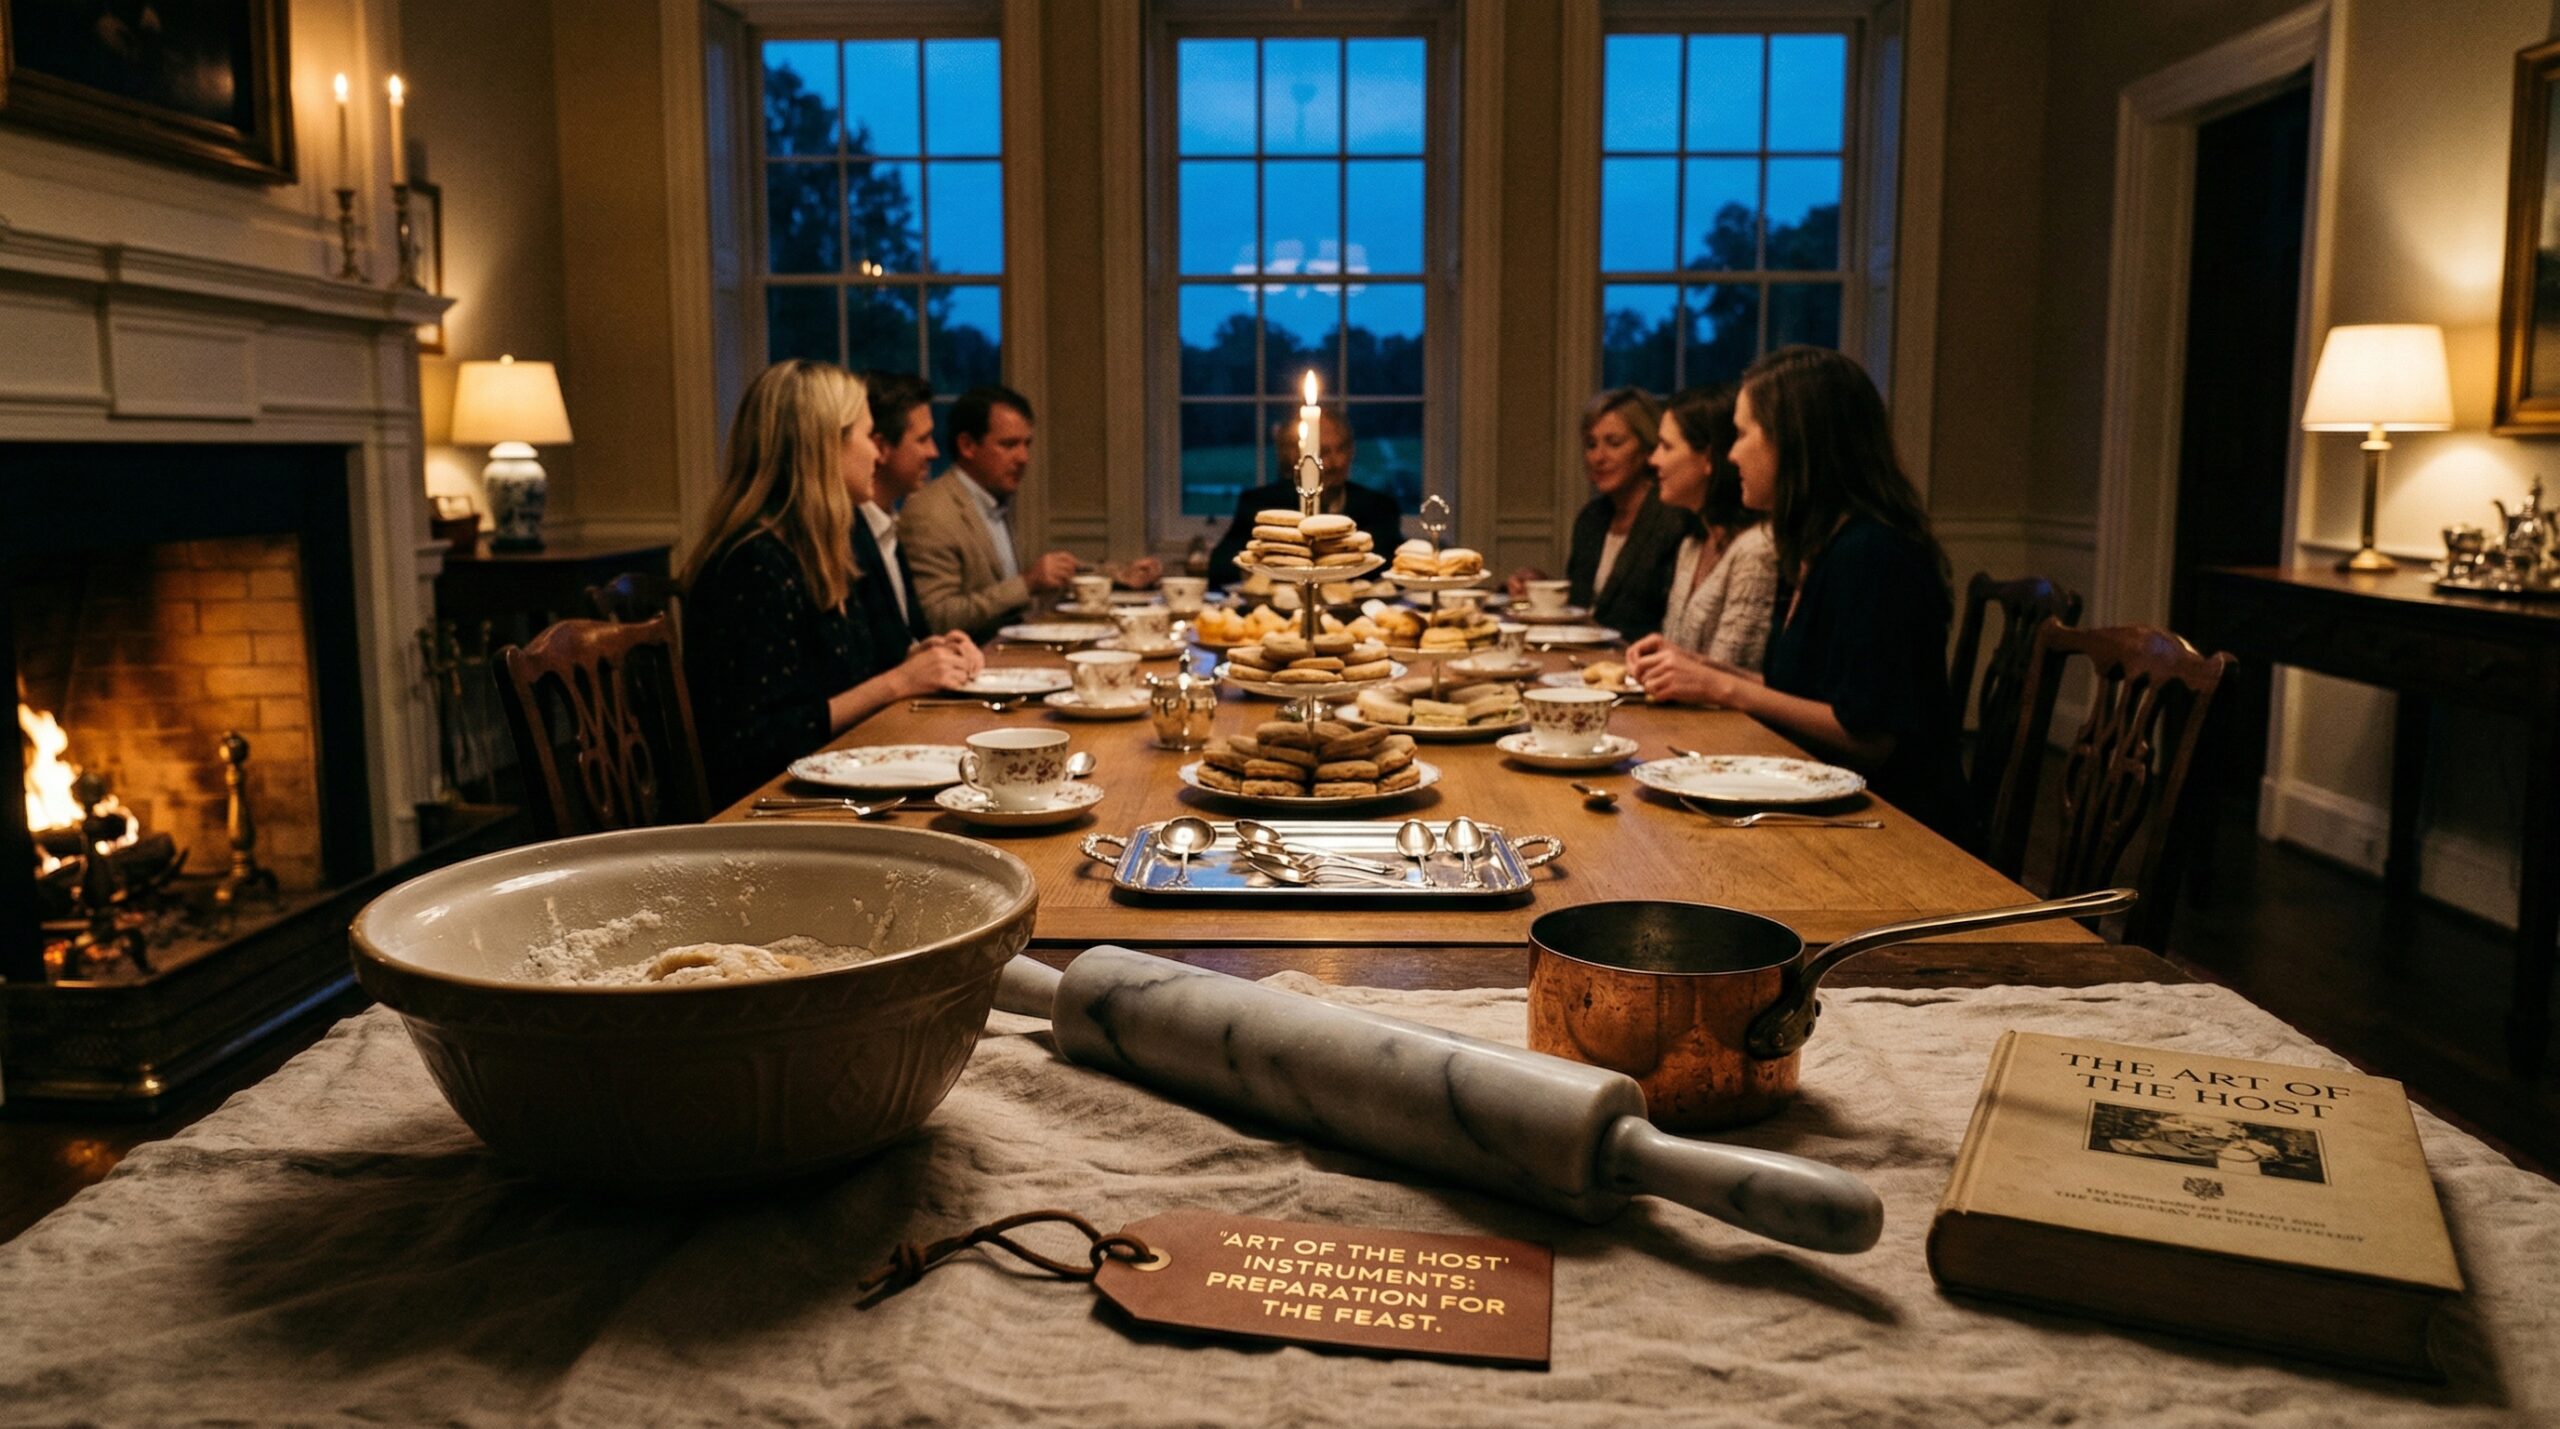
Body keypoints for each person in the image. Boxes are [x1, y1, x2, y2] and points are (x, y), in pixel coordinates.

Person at [1625, 346, 1974, 845]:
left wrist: (1724, 688)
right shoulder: (1823, 545)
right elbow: (1812, 689)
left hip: (1896, 833)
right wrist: (1703, 668)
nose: (1731, 453)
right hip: (1816, 813)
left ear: (1794, 443)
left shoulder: (1873, 555)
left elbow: (1869, 738)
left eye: (1744, 434)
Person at [681, 360, 983, 804]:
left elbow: (853, 672)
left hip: (835, 789)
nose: (878, 454)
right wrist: (897, 682)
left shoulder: (822, 550)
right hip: (771, 811)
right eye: (865, 436)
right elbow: (758, 742)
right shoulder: (753, 564)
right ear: (823, 448)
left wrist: (928, 656)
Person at [897, 384, 1083, 640]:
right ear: (967, 446)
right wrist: (1026, 584)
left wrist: (1119, 575)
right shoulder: (931, 513)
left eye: (1027, 444)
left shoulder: (993, 498)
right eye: (1009, 445)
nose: (1023, 457)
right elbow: (937, 618)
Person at [1504, 388, 1690, 641]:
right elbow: (1583, 607)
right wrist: (1542, 590)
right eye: (1591, 445)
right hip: (1582, 659)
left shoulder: (1671, 520)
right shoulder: (1592, 518)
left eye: (1614, 443)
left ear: (1646, 449)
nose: (1598, 457)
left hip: (1638, 662)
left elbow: (1665, 623)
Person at [1627, 384, 1778, 671]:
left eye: (1667, 446)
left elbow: (1727, 677)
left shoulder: (1756, 548)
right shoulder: (1693, 543)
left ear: (1708, 459)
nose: (1653, 459)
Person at [1206, 412, 1403, 586]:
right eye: (1324, 452)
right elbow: (1221, 568)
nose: (1338, 462)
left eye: (1342, 448)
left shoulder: (1379, 507)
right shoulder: (1262, 505)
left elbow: (1394, 567)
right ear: (1295, 457)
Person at [858, 370, 937, 642]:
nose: (934, 453)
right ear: (881, 447)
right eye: (922, 439)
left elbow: (906, 639)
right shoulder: (848, 536)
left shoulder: (887, 521)